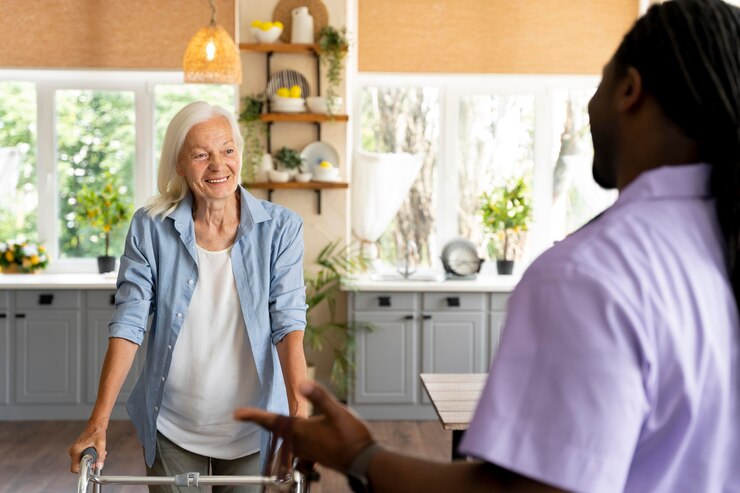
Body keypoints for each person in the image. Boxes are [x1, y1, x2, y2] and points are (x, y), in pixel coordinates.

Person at [235, 1, 740, 492]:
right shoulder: (715, 247)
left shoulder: (592, 274)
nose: (590, 105)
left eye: (600, 81)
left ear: (630, 90)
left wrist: (362, 456)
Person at [68, 101, 309, 493]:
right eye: (201, 155)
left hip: (253, 433)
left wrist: (299, 415)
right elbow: (128, 324)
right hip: (172, 429)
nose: (218, 165)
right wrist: (98, 423)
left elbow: (288, 325)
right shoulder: (151, 227)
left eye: (227, 150)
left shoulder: (281, 229)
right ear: (179, 164)